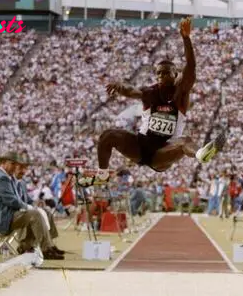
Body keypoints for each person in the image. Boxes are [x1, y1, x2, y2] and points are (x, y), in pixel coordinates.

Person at [89, 17, 226, 184]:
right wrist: (119, 85)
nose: (161, 76)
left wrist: (186, 38)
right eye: (159, 73)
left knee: (185, 141)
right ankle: (102, 176)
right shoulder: (150, 93)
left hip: (163, 151)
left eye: (166, 73)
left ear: (175, 75)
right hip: (140, 145)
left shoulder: (181, 94)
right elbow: (131, 91)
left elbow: (191, 68)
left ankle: (201, 154)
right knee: (107, 136)